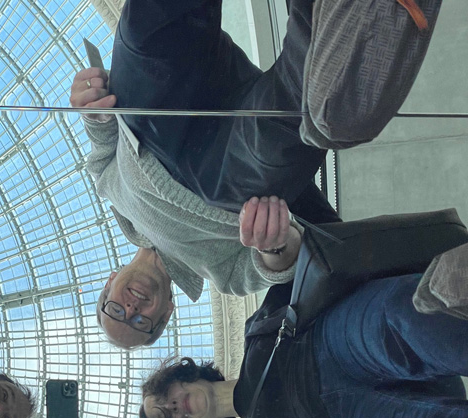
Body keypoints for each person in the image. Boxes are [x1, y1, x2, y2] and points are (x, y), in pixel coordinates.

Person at [70, 0, 441, 348]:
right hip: (224, 177)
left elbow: (103, 139)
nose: (131, 308)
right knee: (288, 131)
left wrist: (90, 107)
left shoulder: (110, 192)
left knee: (146, 31)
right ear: (167, 313)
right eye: (140, 322)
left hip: (149, 116)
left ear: (108, 284)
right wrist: (274, 244)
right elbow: (277, 264)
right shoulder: (224, 276)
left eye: (115, 309)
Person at [137, 243, 468, 418]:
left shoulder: (257, 331)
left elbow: (307, 264)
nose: (173, 407)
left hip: (332, 344)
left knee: (402, 319)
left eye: (165, 397)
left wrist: (276, 247)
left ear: (184, 377)